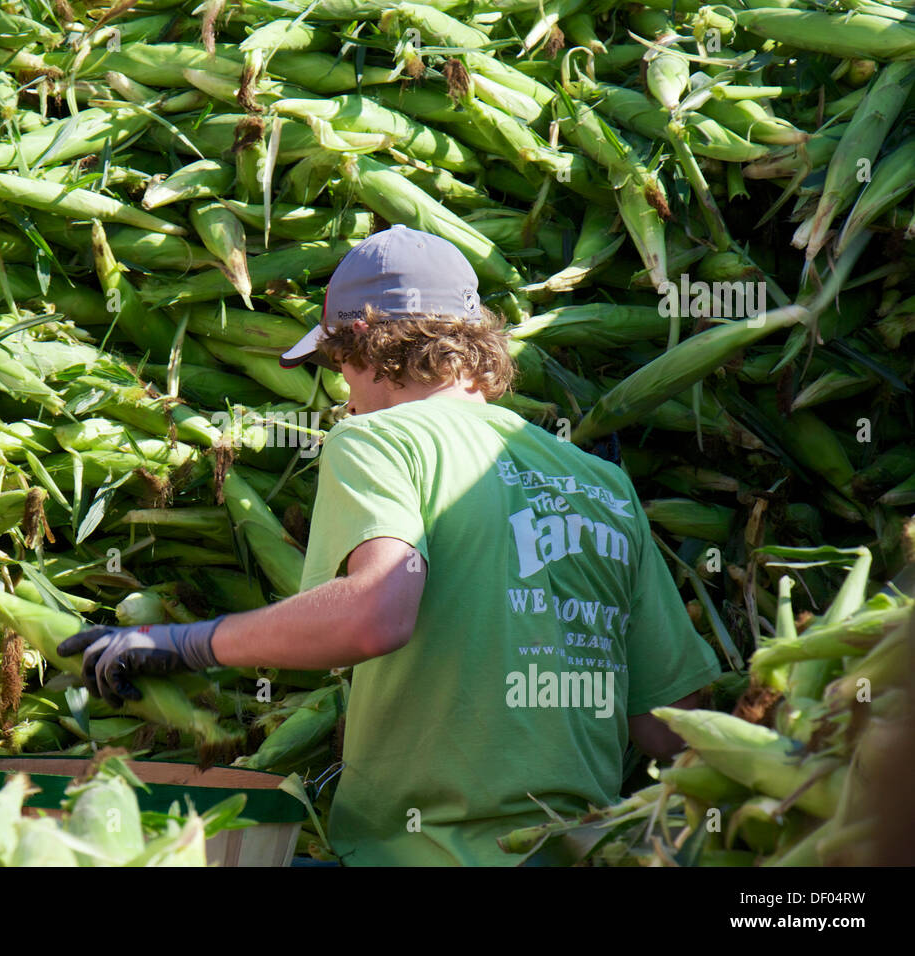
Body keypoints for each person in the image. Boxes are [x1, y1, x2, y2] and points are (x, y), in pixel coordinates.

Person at [59, 224, 722, 866]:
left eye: (338, 366)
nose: (344, 397)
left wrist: (186, 644)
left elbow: (375, 614)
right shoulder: (602, 484)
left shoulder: (381, 441)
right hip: (580, 851)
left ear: (365, 346)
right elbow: (673, 724)